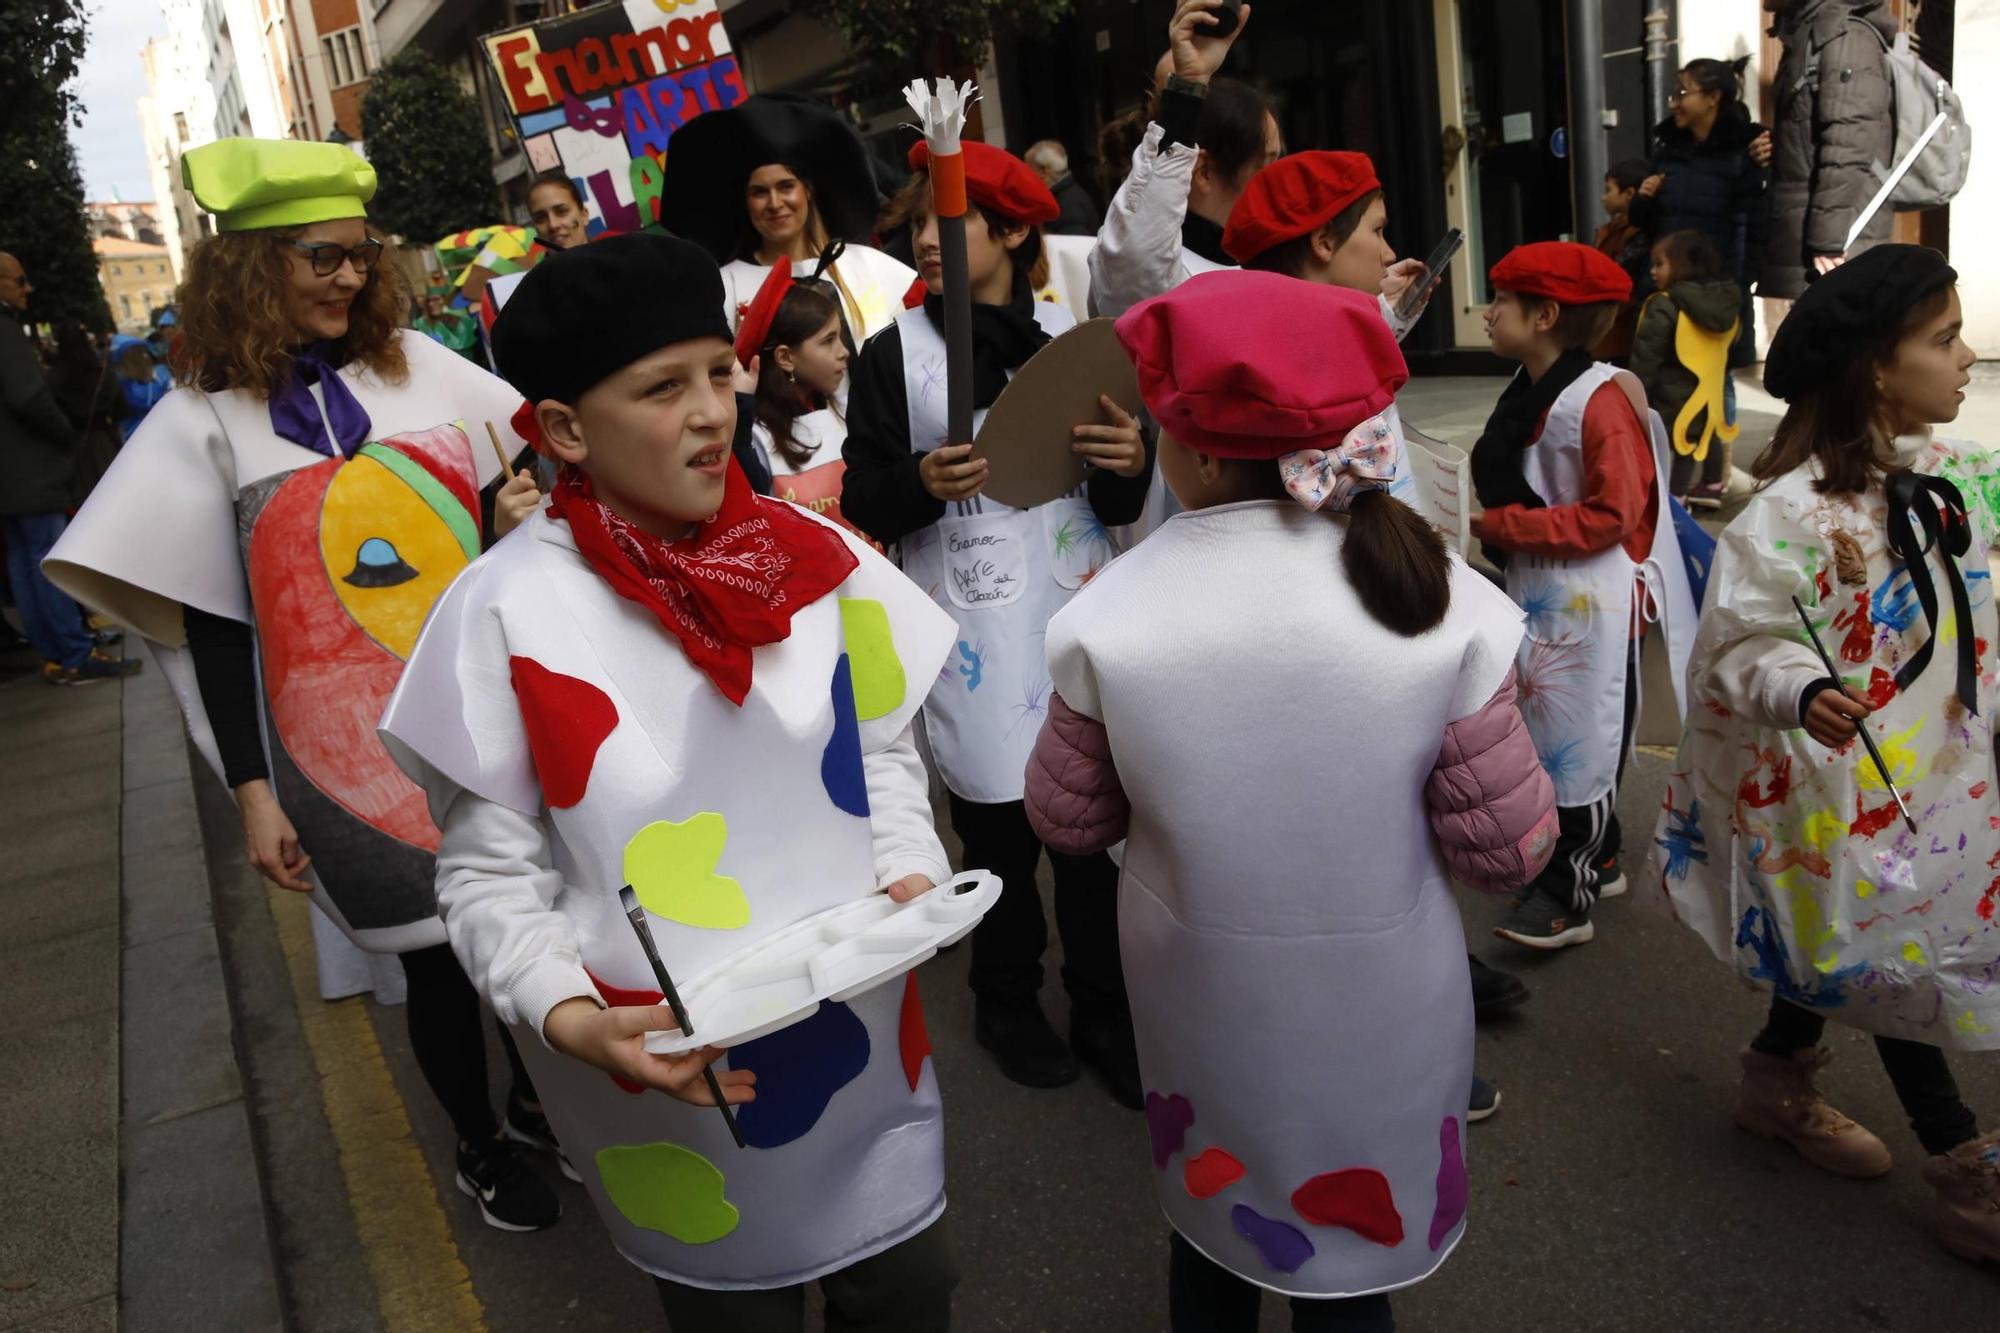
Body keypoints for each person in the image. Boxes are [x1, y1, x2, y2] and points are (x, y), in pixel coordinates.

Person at [379, 232, 964, 1330]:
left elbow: (879, 750)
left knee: (907, 1282)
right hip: (664, 1063)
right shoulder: (503, 614)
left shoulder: (812, 554)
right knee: (731, 1307)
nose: (710, 411)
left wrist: (908, 869)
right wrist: (564, 1016)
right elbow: (488, 880)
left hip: (861, 1023)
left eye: (716, 371)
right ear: (561, 429)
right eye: (661, 387)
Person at [41, 138, 564, 1231]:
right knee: (432, 964)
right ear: (251, 267)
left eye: (361, 257)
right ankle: (479, 1141)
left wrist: (510, 518)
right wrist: (253, 792)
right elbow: (218, 632)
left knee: (532, 919)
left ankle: (537, 1099)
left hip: (485, 716)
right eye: (322, 256)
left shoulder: (427, 369)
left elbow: (520, 489)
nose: (349, 278)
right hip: (342, 756)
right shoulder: (200, 422)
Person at [1025, 272, 1557, 1332]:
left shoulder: (1109, 616)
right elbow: (1506, 850)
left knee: (1215, 1232)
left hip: (1201, 999)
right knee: (1352, 1265)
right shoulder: (1441, 600)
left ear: (1198, 449)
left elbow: (1068, 821)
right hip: (1381, 1006)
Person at [1649, 244, 1999, 1261]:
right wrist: (1797, 688)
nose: (1966, 354)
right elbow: (1734, 645)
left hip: (1933, 775)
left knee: (1837, 937)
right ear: (1874, 368)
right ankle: (1961, 1167)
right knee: (1885, 943)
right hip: (1827, 786)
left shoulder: (1950, 474)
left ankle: (1775, 1075)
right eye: (1941, 339)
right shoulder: (1788, 516)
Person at [842, 140, 1152, 1107]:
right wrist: (918, 483)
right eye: (918, 229)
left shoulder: (1077, 342)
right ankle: (1006, 994)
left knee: (1095, 832)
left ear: (1015, 229)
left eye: (951, 224)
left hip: (1075, 617)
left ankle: (1105, 1007)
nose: (926, 247)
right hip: (971, 638)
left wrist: (1125, 457)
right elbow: (866, 494)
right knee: (1001, 833)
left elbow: (1120, 496)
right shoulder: (894, 356)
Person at [1220, 149, 1531, 1084]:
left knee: (1397, 855)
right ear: (1320, 243)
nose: (1391, 248)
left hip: (1370, 624)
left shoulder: (1320, 333)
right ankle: (1384, 1056)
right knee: (1351, 866)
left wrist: (1383, 314)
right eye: (1374, 231)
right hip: (1326, 652)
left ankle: (1417, 1028)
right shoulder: (1270, 360)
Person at [1469, 241, 1697, 952]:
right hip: (1552, 595)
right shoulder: (1537, 384)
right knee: (1557, 735)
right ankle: (1595, 855)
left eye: (1500, 300)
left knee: (1581, 742)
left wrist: (1502, 525)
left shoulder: (1596, 399)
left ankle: (1570, 892)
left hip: (1592, 604)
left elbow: (1614, 513)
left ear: (1545, 315)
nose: (1486, 311)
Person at [661, 94, 917, 345]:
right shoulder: (724, 289)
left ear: (807, 190)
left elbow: (910, 357)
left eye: (785, 187)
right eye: (759, 192)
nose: (774, 203)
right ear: (745, 201)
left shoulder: (869, 267)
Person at [1089, 0, 1282, 320]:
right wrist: (1189, 85)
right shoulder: (1159, 279)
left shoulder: (1272, 262)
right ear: (1204, 170)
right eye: (1265, 163)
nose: (1279, 178)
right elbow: (1138, 256)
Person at [0, 253, 136, 684]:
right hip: (29, 470)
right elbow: (28, 397)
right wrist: (62, 433)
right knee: (46, 560)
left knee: (27, 563)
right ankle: (74, 653)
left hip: (12, 476)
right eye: (20, 280)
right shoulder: (4, 330)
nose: (28, 289)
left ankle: (58, 653)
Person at [1633, 57, 1768, 366]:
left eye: (1683, 94)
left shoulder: (1745, 152)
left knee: (1716, 380)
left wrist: (1738, 285)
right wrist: (1644, 198)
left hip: (1715, 293)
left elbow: (1753, 227)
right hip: (1664, 288)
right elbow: (1644, 223)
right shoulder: (1667, 152)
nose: (1674, 104)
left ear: (1712, 98)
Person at [1762, 0, 1898, 299]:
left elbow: (1850, 141)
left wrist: (1828, 240)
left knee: (1841, 341)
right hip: (1803, 229)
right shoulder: (1806, 33)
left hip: (1836, 243)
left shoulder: (1846, 36)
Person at [735, 254, 862, 537]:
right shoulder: (755, 438)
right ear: (785, 358)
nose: (843, 352)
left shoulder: (841, 413)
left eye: (839, 338)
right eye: (828, 341)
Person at [1631, 230, 1743, 507]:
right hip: (1710, 388)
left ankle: (1675, 499)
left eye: (1659, 264)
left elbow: (1647, 353)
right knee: (1709, 432)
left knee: (1682, 442)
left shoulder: (1665, 304)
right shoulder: (1726, 301)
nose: (1653, 271)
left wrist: (1635, 393)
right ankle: (1712, 484)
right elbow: (1734, 340)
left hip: (1672, 390)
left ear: (1681, 265)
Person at [1594, 159, 1656, 361]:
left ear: (1629, 194)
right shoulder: (1609, 231)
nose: (1603, 197)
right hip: (1608, 332)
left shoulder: (1634, 234)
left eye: (1609, 190)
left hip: (1620, 335)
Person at [1025, 139, 1102, 237]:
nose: (1026, 177)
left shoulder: (1067, 206)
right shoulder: (1068, 195)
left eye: (1028, 170)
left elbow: (1075, 248)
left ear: (1043, 171)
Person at [113, 337, 173, 440]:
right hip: (136, 436)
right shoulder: (123, 385)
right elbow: (137, 404)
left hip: (165, 432)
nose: (144, 356)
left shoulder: (161, 373)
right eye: (136, 354)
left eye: (143, 351)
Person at [412, 289, 479, 360]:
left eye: (436, 299)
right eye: (428, 301)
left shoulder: (464, 314)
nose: (431, 304)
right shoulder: (422, 323)